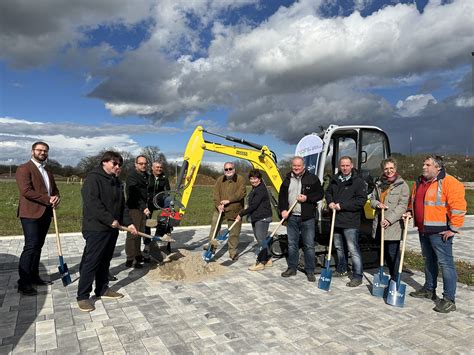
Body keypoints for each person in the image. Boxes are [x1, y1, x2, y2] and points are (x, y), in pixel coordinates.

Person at [77, 151, 138, 312]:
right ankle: (83, 296)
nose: (118, 167)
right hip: (96, 228)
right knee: (92, 261)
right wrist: (109, 219)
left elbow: (122, 206)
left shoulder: (117, 182)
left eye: (120, 164)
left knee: (105, 260)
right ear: (104, 162)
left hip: (113, 228)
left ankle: (102, 289)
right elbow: (92, 203)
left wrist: (129, 224)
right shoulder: (93, 178)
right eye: (114, 163)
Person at [407, 155, 466, 313]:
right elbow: (413, 200)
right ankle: (429, 289)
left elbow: (458, 207)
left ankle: (449, 299)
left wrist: (453, 228)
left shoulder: (450, 182)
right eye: (423, 164)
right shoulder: (419, 181)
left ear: (438, 167)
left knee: (445, 264)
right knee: (428, 261)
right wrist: (409, 211)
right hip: (423, 230)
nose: (423, 167)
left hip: (440, 232)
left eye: (427, 165)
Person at [15, 141, 60, 296]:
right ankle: (23, 283)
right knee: (31, 246)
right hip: (30, 214)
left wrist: (56, 198)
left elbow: (54, 190)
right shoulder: (24, 169)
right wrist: (48, 199)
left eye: (45, 151)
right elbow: (26, 191)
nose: (43, 153)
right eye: (40, 150)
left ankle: (34, 277)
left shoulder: (48, 171)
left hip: (45, 214)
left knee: (38, 246)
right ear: (32, 151)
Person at [278, 156, 324, 282]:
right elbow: (281, 197)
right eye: (294, 166)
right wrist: (282, 210)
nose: (296, 168)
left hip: (307, 218)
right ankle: (292, 268)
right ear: (292, 166)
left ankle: (310, 270)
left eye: (299, 166)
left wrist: (307, 198)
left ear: (303, 166)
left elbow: (320, 194)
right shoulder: (287, 180)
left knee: (309, 245)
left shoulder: (312, 178)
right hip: (292, 217)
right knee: (292, 244)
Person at [325, 156, 367, 287]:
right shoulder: (335, 179)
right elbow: (328, 193)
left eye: (347, 165)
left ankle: (358, 275)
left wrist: (342, 206)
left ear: (352, 165)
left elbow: (361, 201)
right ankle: (342, 269)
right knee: (339, 247)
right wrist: (330, 202)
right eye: (342, 165)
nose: (345, 168)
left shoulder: (358, 182)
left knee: (353, 249)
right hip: (336, 220)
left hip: (350, 221)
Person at [369, 158, 409, 280]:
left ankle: (395, 279)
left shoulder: (402, 185)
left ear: (395, 169)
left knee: (393, 253)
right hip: (380, 223)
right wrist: (377, 204)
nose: (389, 171)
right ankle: (390, 276)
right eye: (386, 168)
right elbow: (372, 199)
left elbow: (402, 206)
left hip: (393, 226)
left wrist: (389, 220)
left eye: (391, 168)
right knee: (385, 253)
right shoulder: (379, 184)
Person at [235, 170, 273, 271]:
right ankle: (268, 258)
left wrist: (241, 214)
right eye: (251, 178)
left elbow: (254, 205)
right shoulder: (255, 188)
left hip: (262, 218)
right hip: (257, 217)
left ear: (259, 179)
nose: (253, 180)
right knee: (261, 239)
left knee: (261, 240)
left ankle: (261, 262)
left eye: (255, 178)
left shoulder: (260, 189)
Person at [207, 162, 246, 260]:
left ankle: (232, 253)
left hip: (234, 210)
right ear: (224, 171)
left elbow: (242, 193)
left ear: (234, 169)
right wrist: (218, 205)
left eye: (230, 169)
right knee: (214, 230)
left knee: (234, 233)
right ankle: (210, 250)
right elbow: (215, 194)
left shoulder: (240, 179)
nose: (228, 171)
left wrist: (229, 200)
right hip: (220, 210)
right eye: (226, 169)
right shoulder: (220, 180)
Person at [125, 155, 150, 268]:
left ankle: (138, 254)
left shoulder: (145, 175)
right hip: (135, 208)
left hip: (142, 208)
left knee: (139, 232)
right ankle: (130, 259)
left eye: (145, 163)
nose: (143, 165)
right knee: (133, 233)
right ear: (135, 164)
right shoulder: (132, 176)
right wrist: (143, 207)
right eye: (141, 163)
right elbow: (134, 194)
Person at [143, 161, 171, 259]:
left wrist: (164, 199)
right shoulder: (147, 177)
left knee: (162, 224)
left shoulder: (164, 178)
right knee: (147, 225)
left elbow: (168, 191)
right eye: (157, 167)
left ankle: (159, 243)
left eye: (161, 167)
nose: (159, 169)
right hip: (149, 204)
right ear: (152, 168)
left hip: (159, 205)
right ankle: (147, 245)